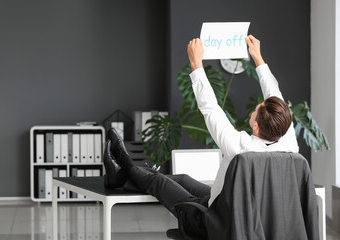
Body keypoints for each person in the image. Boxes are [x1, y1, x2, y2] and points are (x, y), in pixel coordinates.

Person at [104, 35, 299, 236]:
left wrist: (196, 64)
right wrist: (258, 58)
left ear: (256, 125)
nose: (259, 105)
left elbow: (210, 108)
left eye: (257, 109)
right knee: (183, 179)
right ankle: (119, 179)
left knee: (159, 182)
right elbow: (275, 96)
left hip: (216, 221)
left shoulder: (239, 148)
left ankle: (123, 162)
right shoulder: (288, 141)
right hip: (240, 211)